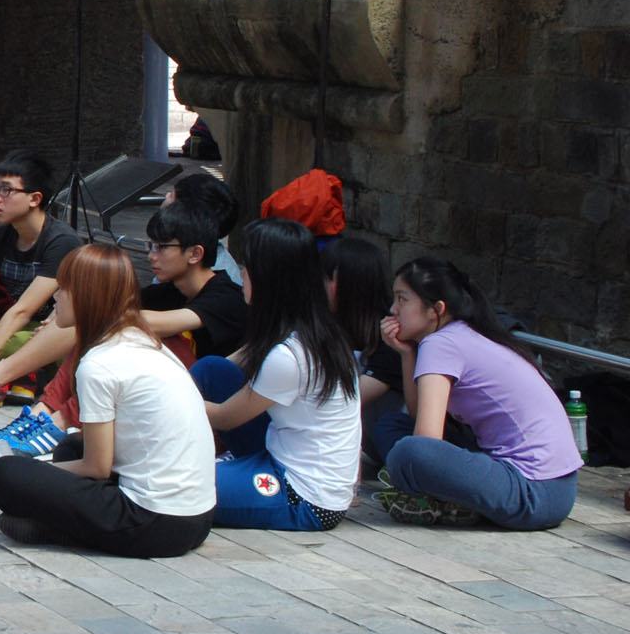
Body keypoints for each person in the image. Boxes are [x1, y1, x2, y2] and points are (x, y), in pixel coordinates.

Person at [0, 244, 216, 558]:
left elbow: (97, 467)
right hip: (199, 518)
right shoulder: (143, 339)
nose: (55, 297)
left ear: (86, 296)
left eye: (63, 289)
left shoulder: (99, 364)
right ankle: (65, 523)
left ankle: (63, 530)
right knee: (71, 446)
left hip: (154, 522)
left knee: (6, 473)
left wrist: (39, 473)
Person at [0, 178, 248, 455]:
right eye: (150, 246)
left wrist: (85, 312)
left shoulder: (225, 294)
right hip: (164, 396)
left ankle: (56, 421)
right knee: (100, 325)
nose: (151, 256)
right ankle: (41, 414)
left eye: (160, 247)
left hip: (203, 416)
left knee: (114, 332)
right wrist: (63, 315)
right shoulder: (170, 290)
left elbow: (152, 321)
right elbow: (117, 306)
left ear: (195, 253)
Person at [368, 258, 583, 529]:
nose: (392, 309)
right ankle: (449, 499)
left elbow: (425, 441)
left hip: (533, 491)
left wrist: (409, 462)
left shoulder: (440, 344)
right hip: (556, 487)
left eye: (402, 299)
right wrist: (406, 353)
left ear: (436, 309)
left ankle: (442, 500)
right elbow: (417, 416)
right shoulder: (462, 334)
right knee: (393, 425)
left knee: (406, 453)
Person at [190, 218, 362, 532]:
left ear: (268, 278)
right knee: (212, 369)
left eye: (246, 266)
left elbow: (225, 417)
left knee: (178, 484)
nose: (241, 273)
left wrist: (168, 395)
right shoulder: (310, 330)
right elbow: (228, 365)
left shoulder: (291, 355)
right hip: (280, 451)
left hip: (305, 496)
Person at [0, 150, 81, 376]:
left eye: (7, 190)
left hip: (50, 327)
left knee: (18, 344)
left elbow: (23, 310)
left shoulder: (61, 241)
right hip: (13, 325)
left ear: (34, 199)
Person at [322, 235, 405, 420]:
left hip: (373, 429)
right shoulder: (323, 320)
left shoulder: (391, 334)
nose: (319, 285)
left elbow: (347, 403)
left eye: (327, 278)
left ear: (347, 285)